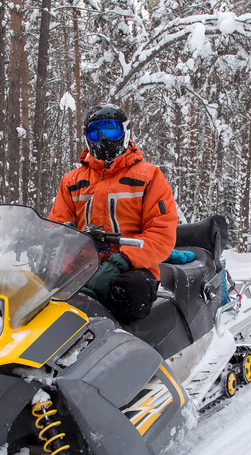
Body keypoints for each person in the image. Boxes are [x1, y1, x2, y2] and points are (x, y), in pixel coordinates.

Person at [49, 103, 178, 322]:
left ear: (125, 132)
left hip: (133, 267)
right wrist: (55, 269)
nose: (104, 140)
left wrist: (121, 261)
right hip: (83, 267)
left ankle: (130, 349)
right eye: (96, 133)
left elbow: (161, 234)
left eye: (111, 131)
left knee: (127, 291)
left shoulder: (148, 176)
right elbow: (56, 229)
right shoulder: (72, 181)